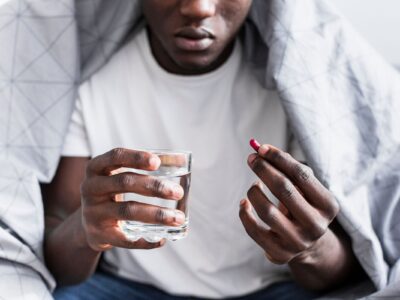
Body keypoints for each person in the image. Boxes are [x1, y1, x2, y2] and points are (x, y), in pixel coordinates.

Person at [41, 1, 366, 299]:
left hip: (272, 290)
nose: (198, 7)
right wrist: (87, 230)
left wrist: (310, 248)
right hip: (127, 288)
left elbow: (347, 271)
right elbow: (59, 255)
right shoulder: (92, 78)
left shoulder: (298, 83)